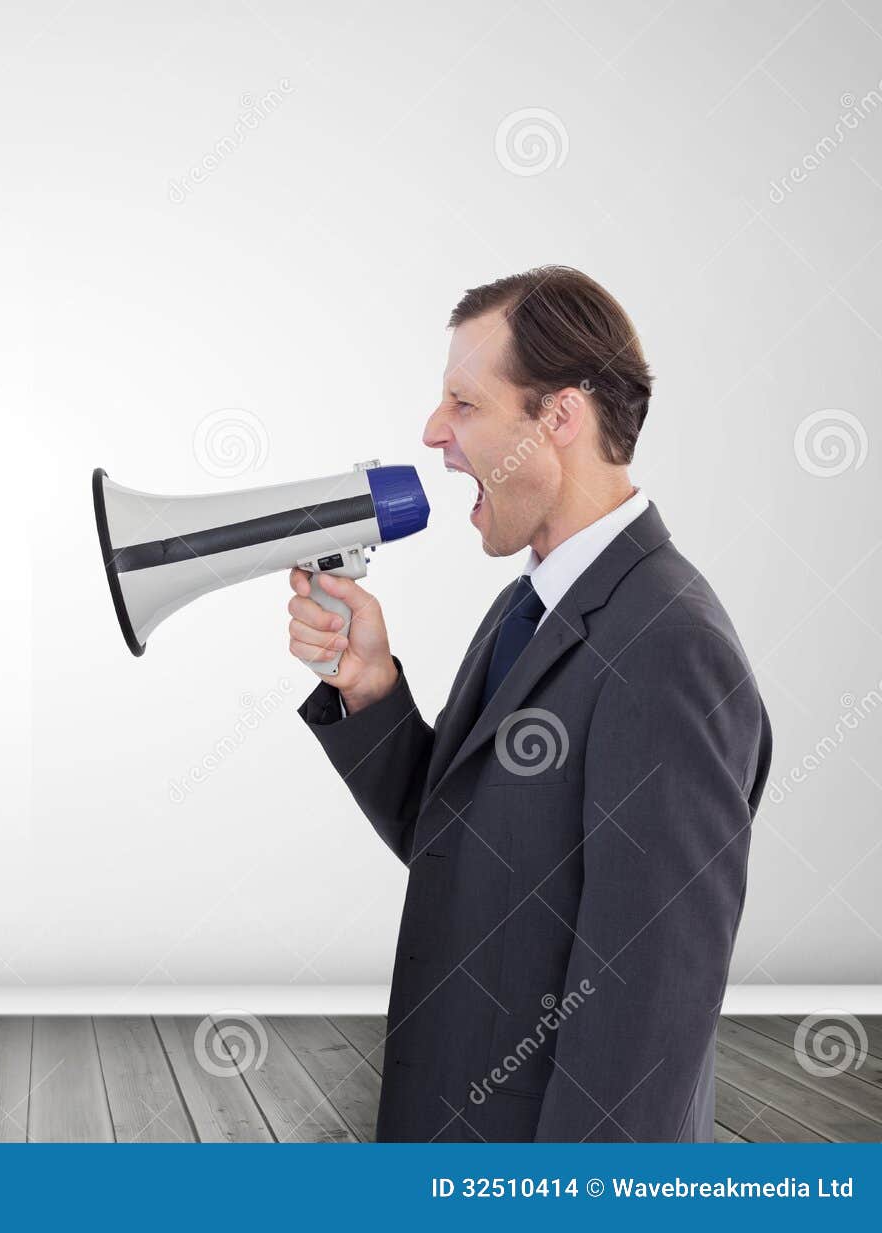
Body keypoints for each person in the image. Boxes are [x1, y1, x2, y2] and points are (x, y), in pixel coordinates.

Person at [287, 266, 772, 1142]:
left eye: (464, 404)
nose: (433, 431)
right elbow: (462, 853)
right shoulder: (531, 603)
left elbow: (648, 1014)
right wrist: (371, 689)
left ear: (558, 417)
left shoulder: (670, 647)